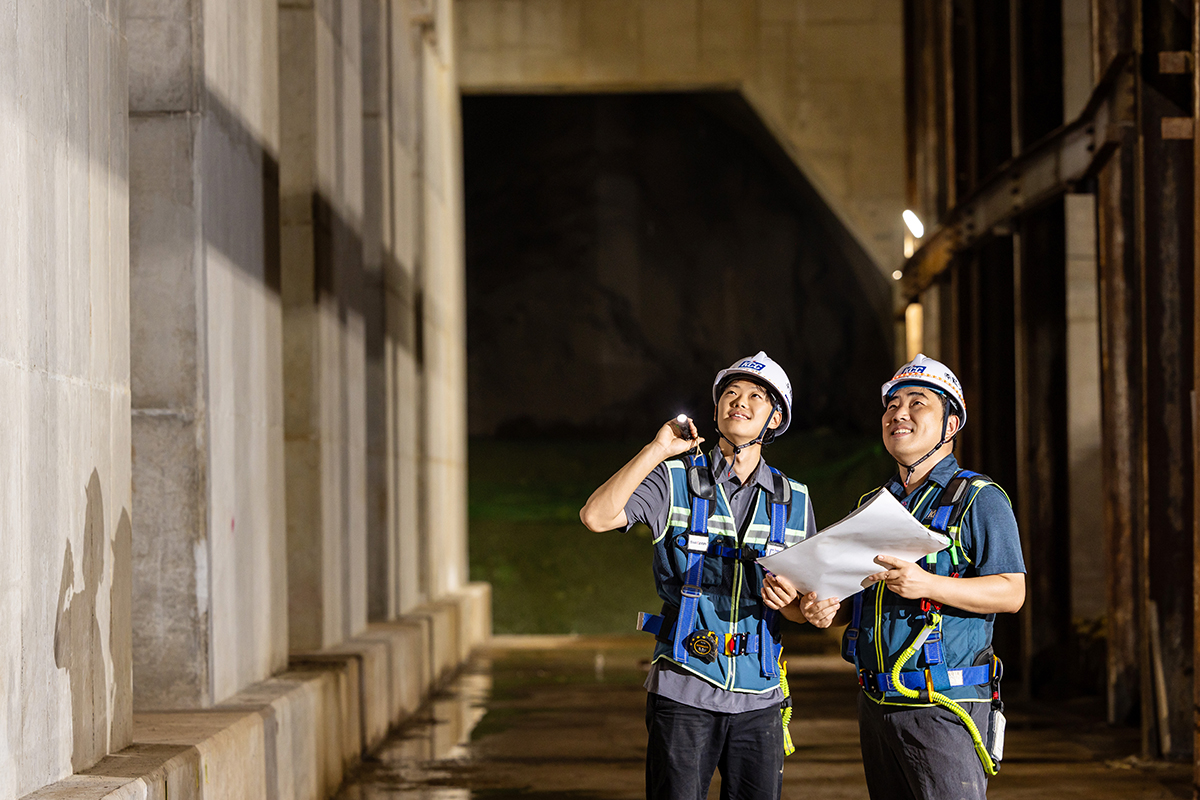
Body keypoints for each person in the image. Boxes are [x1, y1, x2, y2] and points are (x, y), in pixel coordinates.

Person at [768, 353, 1026, 800]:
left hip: (942, 707)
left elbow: (1011, 592)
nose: (898, 414)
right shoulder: (874, 503)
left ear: (950, 425)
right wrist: (824, 605)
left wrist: (929, 585)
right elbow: (856, 596)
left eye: (917, 403)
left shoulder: (980, 499)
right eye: (891, 406)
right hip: (876, 707)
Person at [580, 352, 816, 800]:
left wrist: (798, 605)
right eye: (729, 393)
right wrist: (657, 450)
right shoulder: (672, 479)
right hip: (684, 686)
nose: (739, 402)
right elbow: (596, 516)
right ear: (715, 410)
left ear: (776, 417)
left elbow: (805, 610)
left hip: (761, 695)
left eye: (754, 396)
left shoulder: (796, 500)